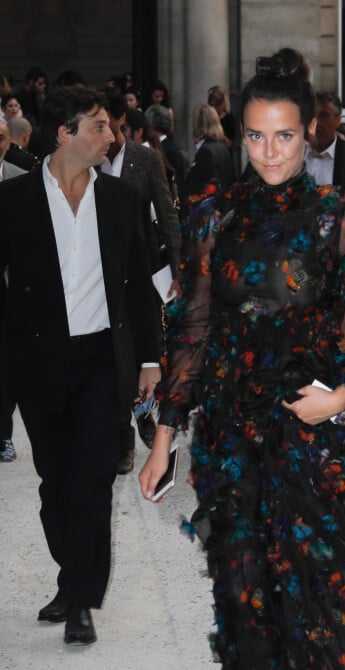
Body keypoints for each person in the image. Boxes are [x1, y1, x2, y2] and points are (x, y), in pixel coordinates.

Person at [140, 47, 345, 670]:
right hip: (233, 448)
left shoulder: (342, 221)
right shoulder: (213, 218)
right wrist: (164, 438)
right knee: (248, 605)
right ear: (239, 134)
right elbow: (189, 330)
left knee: (318, 609)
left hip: (319, 450)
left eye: (284, 137)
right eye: (255, 137)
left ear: (310, 133)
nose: (268, 153)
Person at [0, 85, 161, 645]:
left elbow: (140, 286)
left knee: (93, 479)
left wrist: (149, 359)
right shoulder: (13, 201)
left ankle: (82, 602)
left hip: (101, 359)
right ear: (65, 133)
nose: (111, 137)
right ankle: (72, 578)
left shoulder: (121, 200)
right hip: (39, 360)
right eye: (97, 126)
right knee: (55, 482)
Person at [102, 92, 181, 472]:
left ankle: (144, 412)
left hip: (143, 265)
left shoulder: (145, 158)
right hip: (101, 270)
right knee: (114, 352)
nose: (102, 130)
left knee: (144, 347)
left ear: (120, 120)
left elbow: (167, 213)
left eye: (106, 121)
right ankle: (122, 436)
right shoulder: (89, 160)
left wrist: (179, 270)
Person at [0, 119, 27, 463]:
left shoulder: (20, 179)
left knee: (6, 365)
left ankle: (4, 435)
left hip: (10, 289)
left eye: (2, 137)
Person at [305, 91, 345, 193]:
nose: (316, 122)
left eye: (323, 115)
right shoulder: (290, 155)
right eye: (311, 115)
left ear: (338, 120)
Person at [183, 103, 235, 204]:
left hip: (210, 214)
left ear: (198, 124)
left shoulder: (206, 152)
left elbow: (208, 191)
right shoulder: (221, 147)